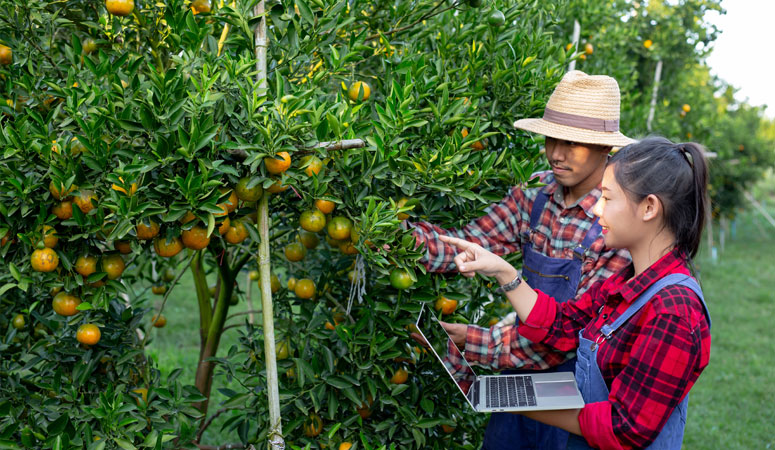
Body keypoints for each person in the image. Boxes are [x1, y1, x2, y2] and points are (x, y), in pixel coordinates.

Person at [438, 137, 712, 449]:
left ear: (649, 207)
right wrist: (504, 272)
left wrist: (508, 400)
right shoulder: (627, 281)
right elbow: (563, 324)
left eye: (607, 198)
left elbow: (624, 428)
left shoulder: (673, 310)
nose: (596, 209)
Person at [409, 70, 633, 449]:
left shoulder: (616, 221)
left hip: (575, 395)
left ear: (604, 147)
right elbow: (473, 243)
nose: (556, 153)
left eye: (572, 143)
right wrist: (398, 238)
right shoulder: (536, 192)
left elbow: (573, 332)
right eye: (551, 139)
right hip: (519, 382)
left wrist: (473, 341)